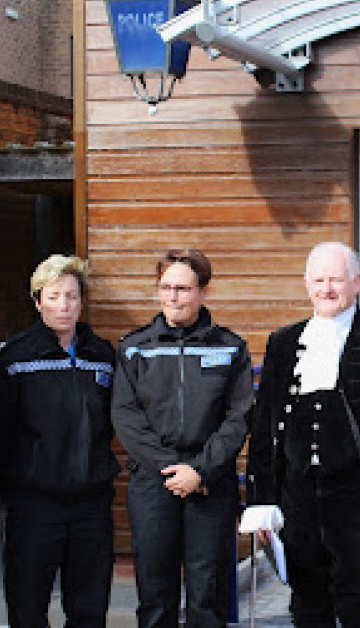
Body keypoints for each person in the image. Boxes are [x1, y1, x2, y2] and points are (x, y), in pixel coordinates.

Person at [242, 241, 360, 628]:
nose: (327, 289)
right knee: (307, 605)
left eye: (336, 279)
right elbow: (265, 422)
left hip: (359, 498)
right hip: (298, 495)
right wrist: (262, 496)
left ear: (357, 282)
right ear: (306, 284)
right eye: (318, 280)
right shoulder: (283, 342)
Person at [112, 249, 253, 628]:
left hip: (210, 483)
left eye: (183, 288)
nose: (173, 296)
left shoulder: (230, 347)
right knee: (155, 594)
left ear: (203, 292)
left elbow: (238, 416)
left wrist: (200, 471)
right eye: (166, 287)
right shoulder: (135, 347)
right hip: (154, 482)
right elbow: (126, 417)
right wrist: (169, 469)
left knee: (207, 594)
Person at [0, 255, 119, 627]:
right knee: (28, 608)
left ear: (82, 301)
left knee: (89, 610)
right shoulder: (13, 358)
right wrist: (14, 481)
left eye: (72, 296)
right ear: (37, 300)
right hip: (34, 505)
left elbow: (111, 422)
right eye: (54, 296)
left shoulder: (102, 356)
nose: (64, 306)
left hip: (90, 504)